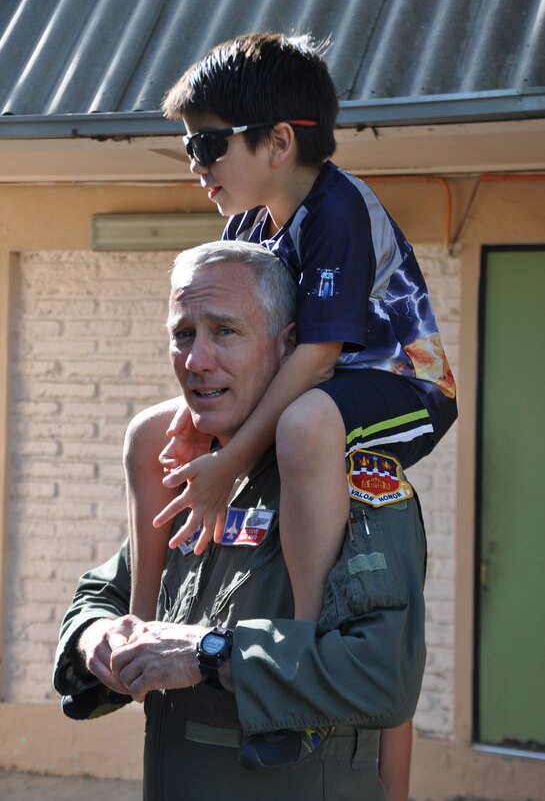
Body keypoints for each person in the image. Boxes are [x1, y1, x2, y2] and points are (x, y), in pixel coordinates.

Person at [128, 32, 456, 780]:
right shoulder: (247, 228)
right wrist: (192, 423)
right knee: (150, 429)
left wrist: (226, 465)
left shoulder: (336, 206)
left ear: (278, 142)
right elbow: (256, 341)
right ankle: (139, 621)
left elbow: (314, 356)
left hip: (402, 386)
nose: (195, 166)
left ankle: (296, 664)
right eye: (188, 150)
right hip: (324, 390)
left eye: (207, 146)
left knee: (308, 425)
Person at [54, 241, 428, 801]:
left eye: (225, 332)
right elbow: (104, 593)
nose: (196, 360)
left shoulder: (343, 477)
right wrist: (98, 637)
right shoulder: (193, 472)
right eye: (183, 334)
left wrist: (209, 655)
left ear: (289, 347)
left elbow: (381, 672)